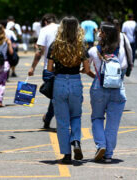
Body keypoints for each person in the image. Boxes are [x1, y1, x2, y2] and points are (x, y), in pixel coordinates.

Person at [47, 16, 90, 164]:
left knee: (62, 121)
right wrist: (80, 69)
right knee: (76, 116)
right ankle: (76, 140)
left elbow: (49, 69)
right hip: (75, 81)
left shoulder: (55, 46)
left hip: (59, 82)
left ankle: (66, 154)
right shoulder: (81, 45)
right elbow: (87, 68)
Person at [85, 23, 128, 163]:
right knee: (113, 123)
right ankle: (108, 154)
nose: (98, 32)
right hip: (117, 88)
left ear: (103, 34)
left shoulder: (92, 50)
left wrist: (98, 77)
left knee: (97, 118)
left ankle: (101, 145)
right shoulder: (119, 51)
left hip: (99, 87)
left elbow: (86, 69)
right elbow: (124, 67)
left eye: (100, 31)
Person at [28, 13, 59, 129]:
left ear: (45, 21)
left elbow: (39, 51)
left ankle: (49, 117)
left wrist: (32, 67)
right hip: (65, 68)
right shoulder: (62, 27)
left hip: (49, 68)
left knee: (55, 97)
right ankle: (48, 117)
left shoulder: (44, 30)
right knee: (56, 97)